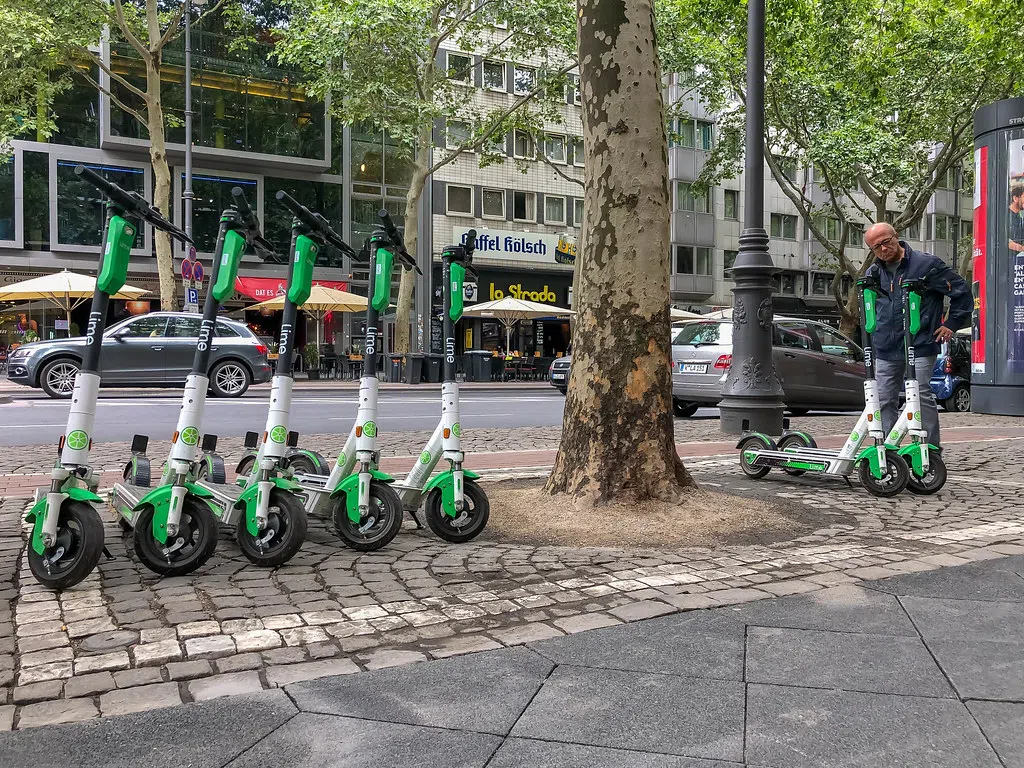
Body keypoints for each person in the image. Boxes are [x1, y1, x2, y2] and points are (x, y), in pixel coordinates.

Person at [862, 222, 972, 450]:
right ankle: (888, 452)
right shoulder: (873, 273)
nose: (883, 249)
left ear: (896, 237)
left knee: (920, 397)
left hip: (919, 343)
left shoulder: (926, 265)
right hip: (885, 347)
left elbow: (961, 293)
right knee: (882, 400)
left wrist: (951, 324)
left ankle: (929, 451)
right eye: (876, 247)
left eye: (886, 242)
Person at [1009, 183, 1024, 253]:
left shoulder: (1020, 218)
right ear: (1015, 198)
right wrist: (1022, 248)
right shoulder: (1005, 217)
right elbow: (1003, 240)